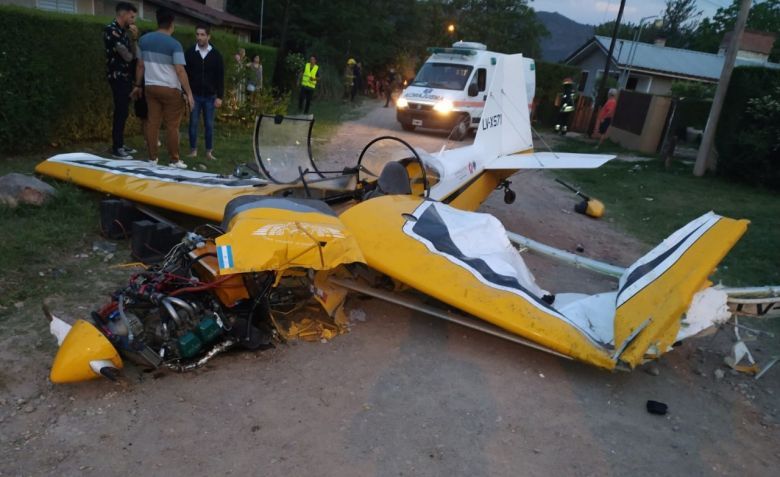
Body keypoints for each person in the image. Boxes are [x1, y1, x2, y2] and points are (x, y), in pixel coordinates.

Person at [132, 8, 194, 168]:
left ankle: (152, 159)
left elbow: (140, 65)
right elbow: (180, 70)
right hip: (171, 90)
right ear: (172, 24)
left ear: (158, 22)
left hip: (151, 87)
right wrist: (189, 93)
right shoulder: (174, 44)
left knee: (152, 123)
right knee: (172, 126)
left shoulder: (144, 40)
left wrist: (138, 85)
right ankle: (174, 160)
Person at [104, 2, 139, 159]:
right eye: (132, 16)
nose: (133, 20)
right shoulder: (111, 30)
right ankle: (116, 148)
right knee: (120, 111)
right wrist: (134, 40)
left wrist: (134, 38)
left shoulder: (123, 32)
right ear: (123, 14)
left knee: (124, 111)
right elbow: (129, 56)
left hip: (126, 76)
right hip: (117, 76)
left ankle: (120, 143)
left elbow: (135, 55)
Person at [184, 24, 224, 161]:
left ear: (208, 36)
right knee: (193, 123)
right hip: (194, 95)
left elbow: (220, 76)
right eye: (197, 34)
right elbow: (185, 74)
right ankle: (193, 150)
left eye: (202, 35)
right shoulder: (189, 53)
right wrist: (185, 92)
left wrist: (220, 96)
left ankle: (208, 151)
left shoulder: (216, 55)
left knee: (209, 124)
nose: (199, 37)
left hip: (210, 96)